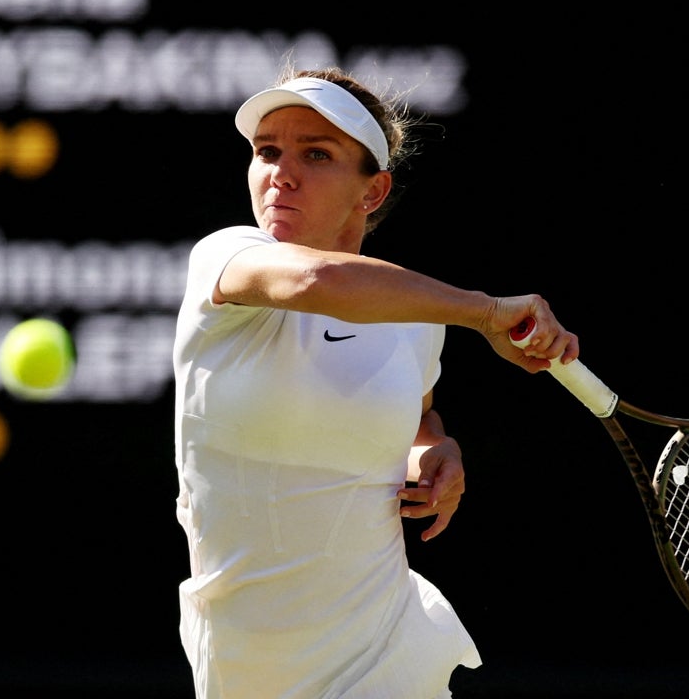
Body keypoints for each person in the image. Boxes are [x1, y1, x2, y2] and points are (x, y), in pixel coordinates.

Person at [172, 65, 580, 698]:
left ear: (371, 192)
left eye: (316, 154)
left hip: (385, 656)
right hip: (248, 669)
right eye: (267, 151)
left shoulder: (414, 316)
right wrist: (485, 312)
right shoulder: (223, 257)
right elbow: (317, 283)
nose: (281, 172)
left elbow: (416, 416)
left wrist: (432, 450)